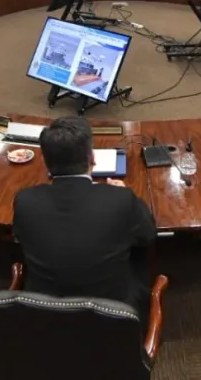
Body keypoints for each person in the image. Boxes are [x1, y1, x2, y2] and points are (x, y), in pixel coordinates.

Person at [12, 117, 156, 318]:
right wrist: (124, 194)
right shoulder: (121, 199)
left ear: (44, 161)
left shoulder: (24, 201)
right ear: (92, 158)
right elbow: (148, 235)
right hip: (114, 317)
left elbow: (20, 238)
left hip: (44, 317)